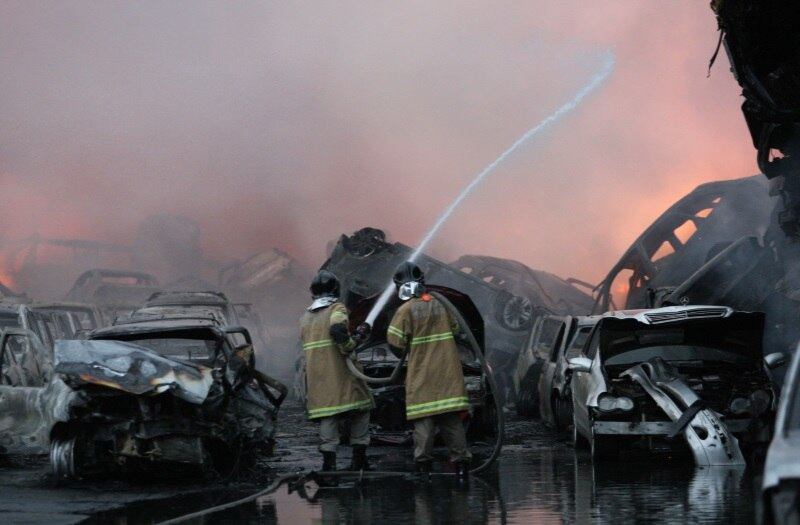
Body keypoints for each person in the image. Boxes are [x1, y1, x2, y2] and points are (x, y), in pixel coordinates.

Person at [386, 261, 472, 481]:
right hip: (448, 374)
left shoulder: (404, 310)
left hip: (423, 375)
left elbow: (394, 340)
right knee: (452, 422)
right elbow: (455, 329)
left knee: (424, 422)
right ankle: (461, 465)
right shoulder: (441, 304)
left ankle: (423, 468)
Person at [300, 270, 373, 472]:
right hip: (342, 374)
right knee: (361, 409)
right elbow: (338, 330)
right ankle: (359, 461)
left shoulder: (306, 316)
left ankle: (329, 466)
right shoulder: (337, 308)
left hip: (318, 377)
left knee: (328, 416)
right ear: (336, 290)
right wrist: (352, 343)